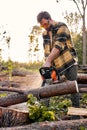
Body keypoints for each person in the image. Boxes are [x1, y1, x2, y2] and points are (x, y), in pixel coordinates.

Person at [37, 11, 80, 119]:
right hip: (55, 64)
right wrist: (47, 65)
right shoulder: (45, 34)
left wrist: (48, 61)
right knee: (45, 88)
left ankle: (75, 119)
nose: (44, 27)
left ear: (49, 19)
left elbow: (58, 46)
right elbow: (47, 51)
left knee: (73, 90)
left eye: (45, 24)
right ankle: (42, 114)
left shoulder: (62, 27)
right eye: (42, 26)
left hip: (68, 63)